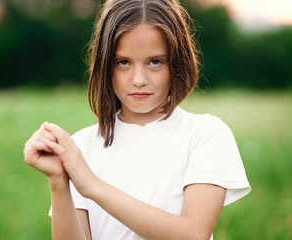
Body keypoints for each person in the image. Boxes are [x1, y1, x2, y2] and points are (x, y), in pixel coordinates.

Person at [23, 0, 251, 239]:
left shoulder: (205, 134)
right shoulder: (81, 147)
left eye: (155, 61)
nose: (139, 79)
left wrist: (93, 186)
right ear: (104, 65)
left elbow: (193, 234)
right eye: (123, 62)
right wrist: (59, 182)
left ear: (176, 62)